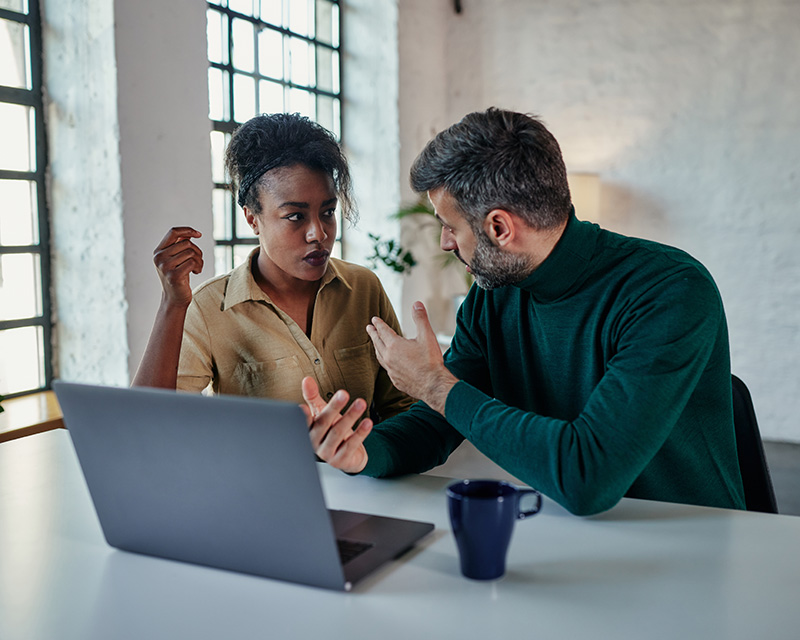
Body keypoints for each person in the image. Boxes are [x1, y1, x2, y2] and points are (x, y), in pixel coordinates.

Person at [302, 107, 746, 516]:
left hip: (692, 538)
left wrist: (435, 384)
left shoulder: (670, 291)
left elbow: (587, 476)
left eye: (449, 226)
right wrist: (364, 451)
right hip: (565, 533)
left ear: (499, 227)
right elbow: (439, 425)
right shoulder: (495, 295)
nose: (445, 243)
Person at [133, 113, 412, 422]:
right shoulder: (211, 308)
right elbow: (146, 421)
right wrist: (172, 304)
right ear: (253, 218)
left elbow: (401, 409)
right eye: (295, 216)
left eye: (328, 212)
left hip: (365, 470)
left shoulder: (363, 288)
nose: (318, 234)